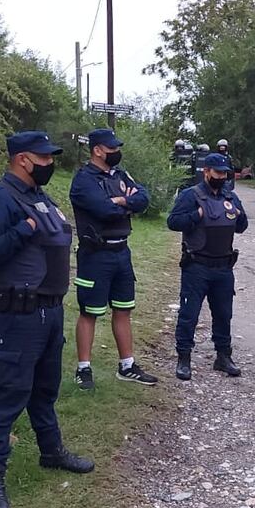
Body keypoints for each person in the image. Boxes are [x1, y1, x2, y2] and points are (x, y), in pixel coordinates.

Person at [0, 130, 94, 508]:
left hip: (50, 311)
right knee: (8, 394)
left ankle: (51, 451)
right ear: (23, 159)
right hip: (18, 314)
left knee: (44, 390)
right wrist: (23, 229)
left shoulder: (41, 198)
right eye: (44, 158)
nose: (49, 164)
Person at [69, 128, 157, 389]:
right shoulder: (84, 180)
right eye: (112, 148)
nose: (116, 153)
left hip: (122, 252)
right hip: (95, 254)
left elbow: (143, 198)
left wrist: (120, 201)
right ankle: (83, 368)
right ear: (97, 150)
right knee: (90, 311)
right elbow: (104, 210)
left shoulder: (120, 175)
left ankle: (127, 365)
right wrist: (122, 202)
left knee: (123, 308)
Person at [167, 153, 249, 380]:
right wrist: (197, 215)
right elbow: (173, 222)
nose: (221, 177)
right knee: (189, 314)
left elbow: (242, 226)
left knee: (224, 314)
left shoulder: (230, 197)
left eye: (225, 173)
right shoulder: (190, 195)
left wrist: (239, 216)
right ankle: (184, 358)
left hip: (223, 266)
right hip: (197, 266)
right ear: (206, 172)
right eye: (217, 173)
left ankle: (223, 356)